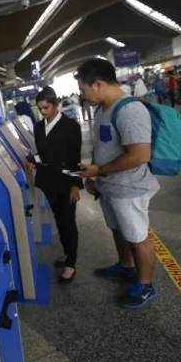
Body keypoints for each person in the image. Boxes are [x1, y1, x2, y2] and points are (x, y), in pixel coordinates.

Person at [76, 58, 159, 308]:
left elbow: (140, 155)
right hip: (109, 186)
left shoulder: (130, 110)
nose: (83, 96)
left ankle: (145, 286)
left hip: (129, 189)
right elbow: (101, 146)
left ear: (98, 83)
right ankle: (126, 266)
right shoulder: (102, 110)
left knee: (137, 237)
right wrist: (94, 175)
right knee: (118, 229)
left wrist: (100, 170)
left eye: (83, 90)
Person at [29, 87, 83, 284]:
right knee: (59, 220)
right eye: (40, 108)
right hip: (48, 180)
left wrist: (75, 184)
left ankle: (71, 263)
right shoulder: (38, 127)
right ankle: (67, 253)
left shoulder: (70, 126)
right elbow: (42, 154)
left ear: (56, 105)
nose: (43, 112)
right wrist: (33, 161)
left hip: (66, 181)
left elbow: (75, 157)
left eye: (46, 107)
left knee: (68, 221)